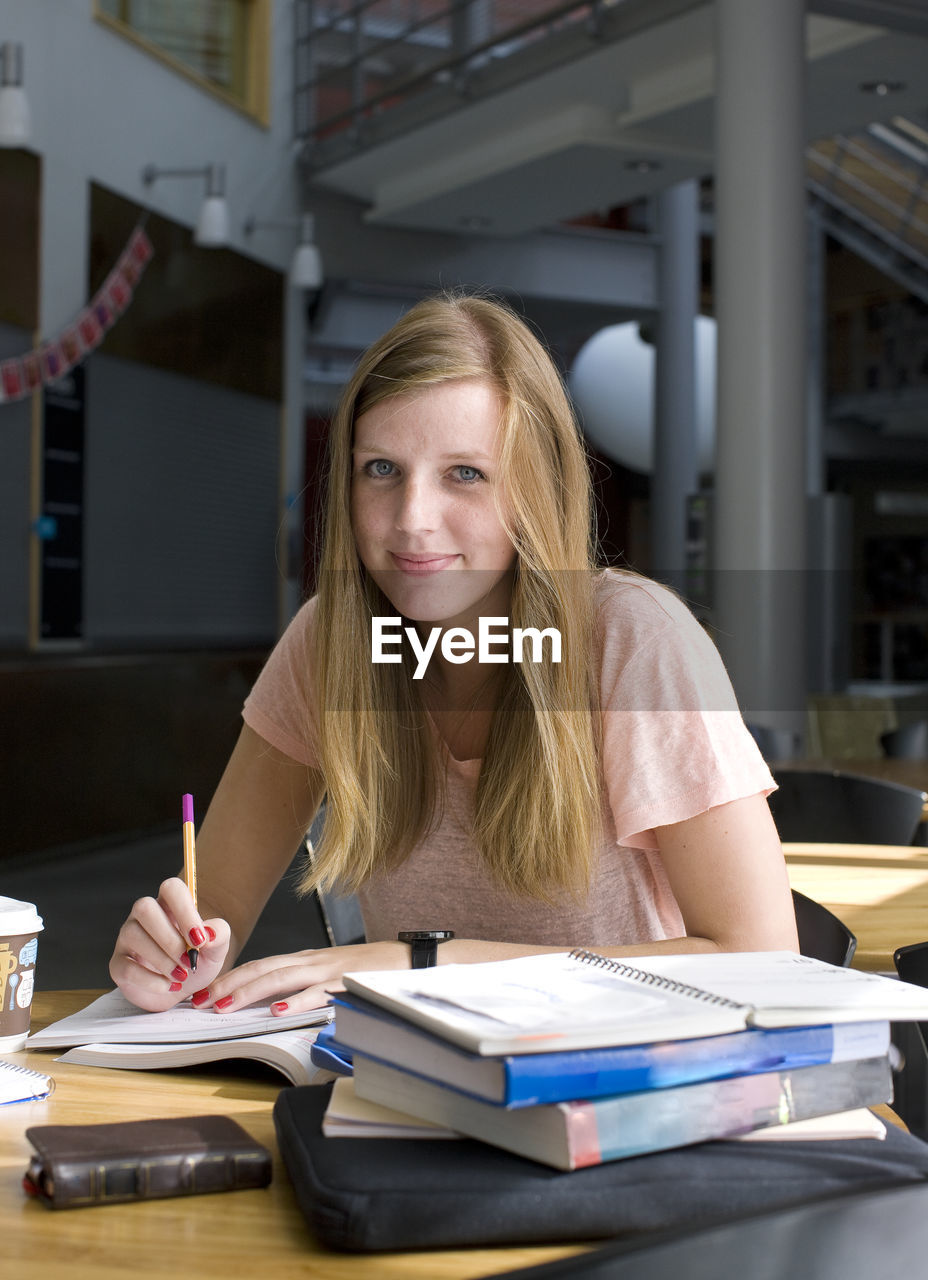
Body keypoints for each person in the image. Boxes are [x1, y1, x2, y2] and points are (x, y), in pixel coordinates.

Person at [110, 293, 798, 1015]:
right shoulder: (328, 641)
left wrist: (431, 961)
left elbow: (764, 961)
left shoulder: (632, 639)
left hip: (618, 1093)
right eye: (381, 469)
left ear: (535, 489)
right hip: (412, 1091)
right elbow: (208, 917)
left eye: (464, 474)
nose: (412, 521)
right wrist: (166, 957)